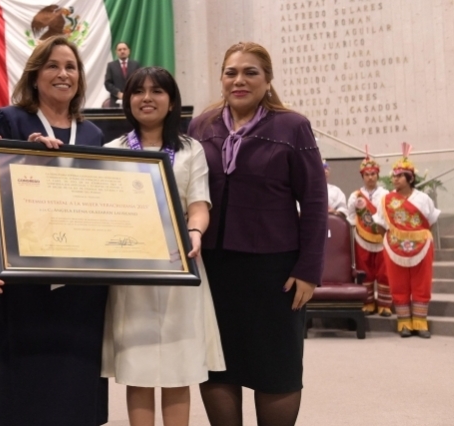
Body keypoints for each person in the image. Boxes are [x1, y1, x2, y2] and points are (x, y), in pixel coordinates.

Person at [187, 41, 327, 426]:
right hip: (214, 267)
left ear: (268, 80)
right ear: (221, 78)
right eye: (231, 72)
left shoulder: (292, 126)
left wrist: (309, 269)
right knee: (219, 365)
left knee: (276, 366)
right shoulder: (202, 125)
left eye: (251, 72)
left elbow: (315, 200)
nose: (240, 80)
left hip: (275, 271)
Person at [0, 35, 109, 425]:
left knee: (76, 380)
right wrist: (26, 156)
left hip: (81, 278)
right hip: (24, 276)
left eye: (70, 66)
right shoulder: (11, 119)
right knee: (22, 381)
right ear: (36, 75)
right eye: (52, 65)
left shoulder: (93, 135)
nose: (63, 73)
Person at [101, 66, 225, 426]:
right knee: (137, 367)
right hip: (132, 270)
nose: (147, 98)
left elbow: (199, 205)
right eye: (138, 91)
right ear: (127, 101)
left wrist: (196, 233)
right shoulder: (114, 150)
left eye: (157, 91)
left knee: (177, 367)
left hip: (180, 264)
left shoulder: (190, 150)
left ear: (171, 102)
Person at [374, 143, 440, 338]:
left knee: (422, 282)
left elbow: (431, 222)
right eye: (393, 176)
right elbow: (379, 224)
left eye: (399, 176)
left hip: (422, 245)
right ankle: (404, 322)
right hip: (394, 246)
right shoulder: (386, 200)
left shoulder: (423, 198)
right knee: (398, 282)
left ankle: (420, 322)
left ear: (409, 178)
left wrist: (419, 237)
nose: (394, 179)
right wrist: (391, 239)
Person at [346, 149, 391, 316]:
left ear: (377, 175)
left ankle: (385, 304)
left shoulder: (386, 194)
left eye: (373, 174)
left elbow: (387, 215)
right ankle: (368, 302)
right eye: (367, 174)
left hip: (381, 238)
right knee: (365, 271)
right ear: (362, 177)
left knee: (383, 271)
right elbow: (350, 215)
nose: (370, 177)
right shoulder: (355, 196)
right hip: (362, 239)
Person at [104, 41, 141, 107]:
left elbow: (139, 81)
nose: (122, 51)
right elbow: (107, 83)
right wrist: (118, 93)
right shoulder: (111, 66)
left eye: (124, 49)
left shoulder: (135, 65)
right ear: (116, 52)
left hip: (133, 100)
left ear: (129, 51)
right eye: (119, 50)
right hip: (116, 101)